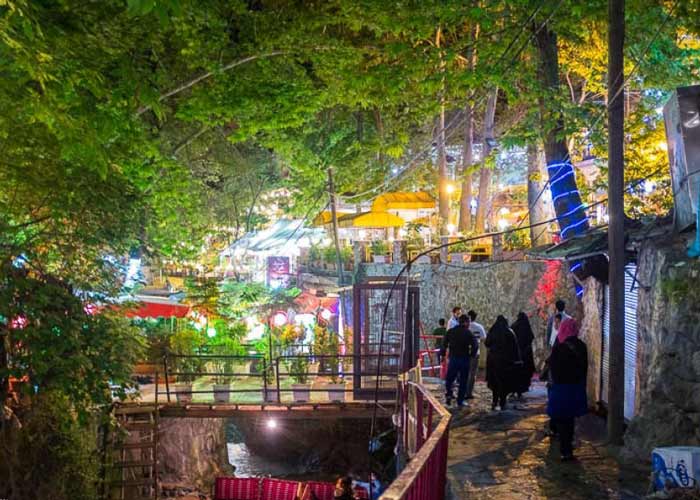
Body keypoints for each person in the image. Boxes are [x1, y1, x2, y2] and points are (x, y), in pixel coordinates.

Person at [547, 318, 588, 461]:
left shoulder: (559, 347)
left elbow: (552, 368)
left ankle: (565, 448)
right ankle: (567, 449)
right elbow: (584, 368)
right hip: (575, 388)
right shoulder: (582, 346)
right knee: (569, 419)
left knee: (562, 419)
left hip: (560, 389)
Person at [440, 314, 478, 407]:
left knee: (450, 379)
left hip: (453, 358)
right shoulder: (468, 333)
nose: (469, 324)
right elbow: (475, 345)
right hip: (464, 359)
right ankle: (460, 401)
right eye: (468, 322)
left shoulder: (451, 331)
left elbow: (444, 343)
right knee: (463, 380)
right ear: (465, 322)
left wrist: (443, 355)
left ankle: (449, 395)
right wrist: (472, 355)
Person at [485, 315, 521, 411]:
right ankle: (503, 401)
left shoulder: (492, 331)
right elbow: (515, 347)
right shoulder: (509, 332)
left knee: (494, 381)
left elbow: (486, 343)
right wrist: (517, 360)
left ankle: (494, 400)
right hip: (505, 362)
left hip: (493, 361)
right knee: (504, 381)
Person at [511, 312, 536, 398]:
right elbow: (531, 338)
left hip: (515, 354)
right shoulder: (527, 326)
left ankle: (514, 389)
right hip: (526, 354)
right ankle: (523, 388)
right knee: (525, 371)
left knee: (516, 372)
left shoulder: (514, 326)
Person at [465, 310, 487, 399]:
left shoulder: (465, 327)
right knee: (472, 373)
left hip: (464, 352)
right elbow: (484, 338)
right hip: (475, 352)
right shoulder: (479, 327)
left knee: (464, 372)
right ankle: (469, 392)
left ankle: (463, 391)